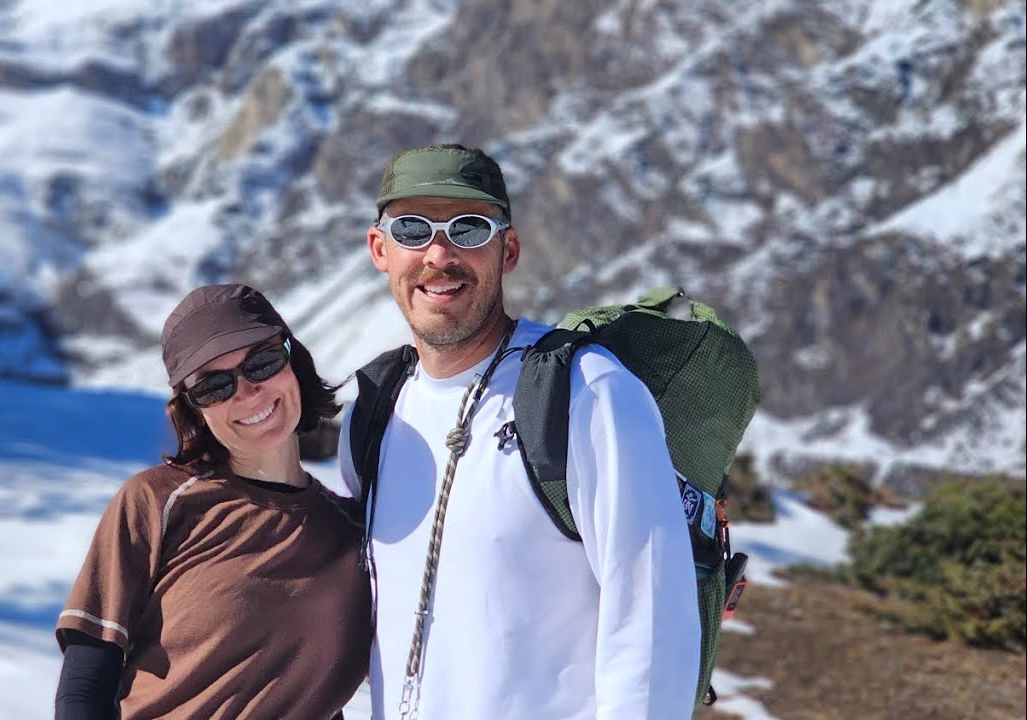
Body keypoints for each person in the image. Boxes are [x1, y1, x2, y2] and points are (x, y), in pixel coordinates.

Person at [338, 144, 701, 719]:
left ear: (508, 251)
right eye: (412, 229)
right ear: (380, 249)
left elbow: (653, 625)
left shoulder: (587, 393)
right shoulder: (374, 410)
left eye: (469, 228)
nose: (439, 254)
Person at [55, 283, 371, 720]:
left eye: (262, 363)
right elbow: (85, 684)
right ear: (192, 409)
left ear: (293, 361)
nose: (247, 392)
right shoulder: (157, 503)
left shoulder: (355, 537)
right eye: (214, 386)